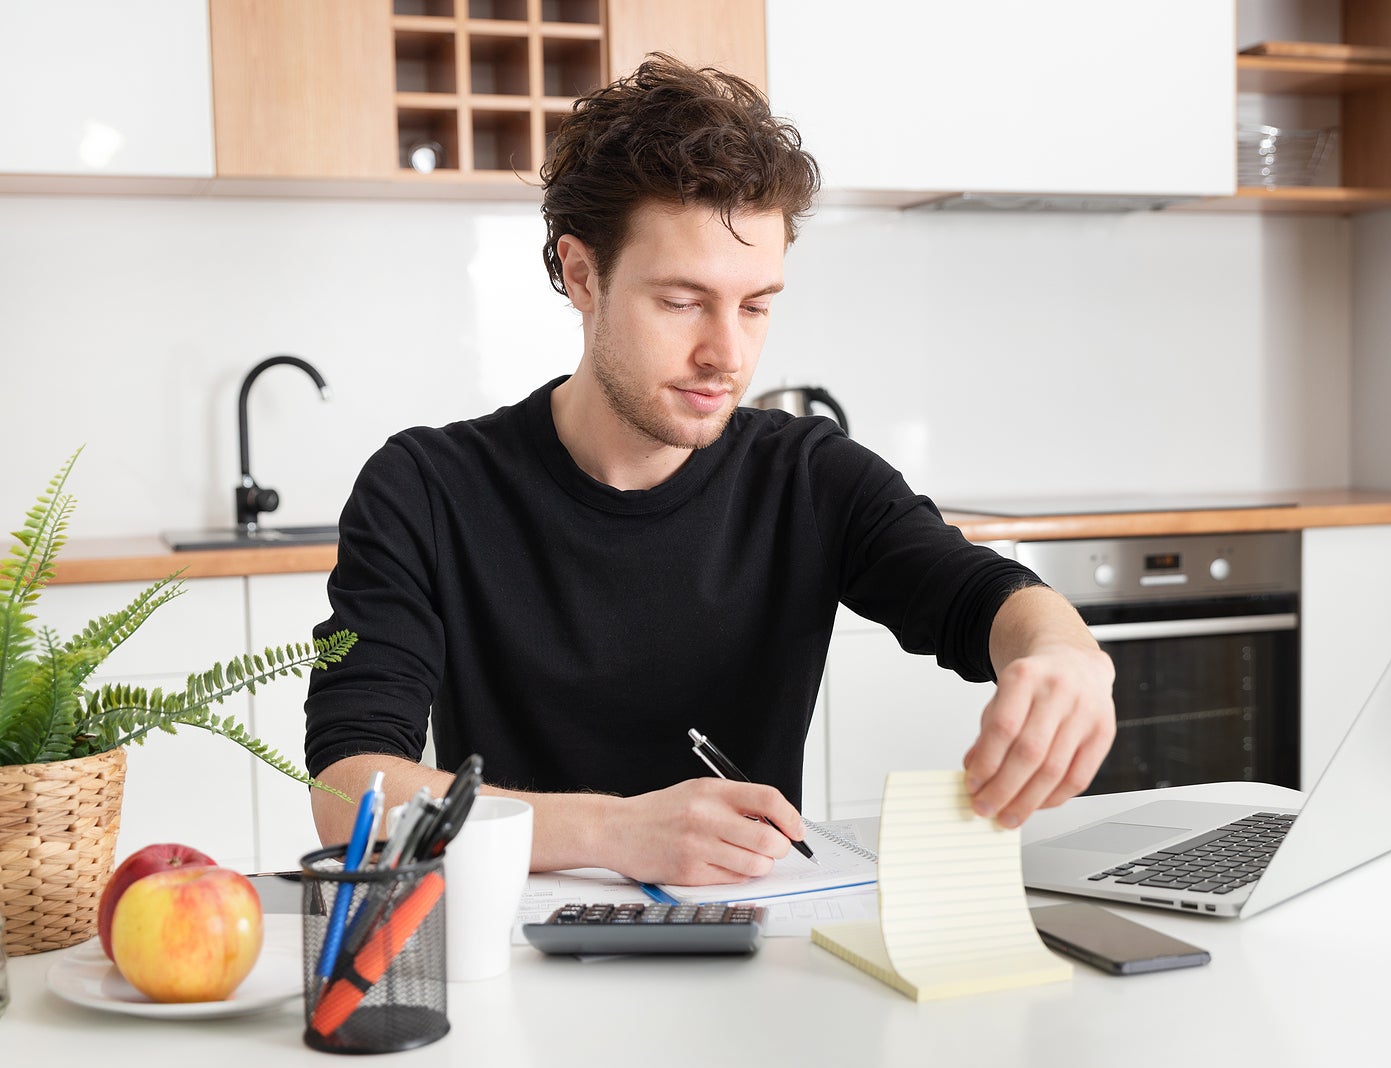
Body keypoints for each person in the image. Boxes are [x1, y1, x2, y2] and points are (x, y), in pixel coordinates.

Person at [304, 54, 1115, 887]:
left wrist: (1063, 652)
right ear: (582, 274)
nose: (727, 354)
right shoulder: (426, 488)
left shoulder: (808, 475)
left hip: (754, 942)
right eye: (683, 301)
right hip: (515, 950)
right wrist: (614, 831)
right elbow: (346, 789)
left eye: (757, 305)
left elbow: (977, 592)